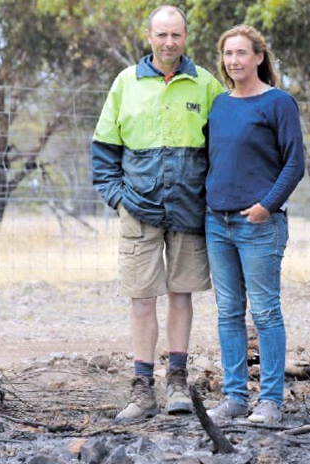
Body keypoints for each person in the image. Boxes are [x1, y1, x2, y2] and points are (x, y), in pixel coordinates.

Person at [91, 5, 224, 423]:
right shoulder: (125, 83)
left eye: (177, 35)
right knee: (142, 299)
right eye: (162, 35)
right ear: (149, 36)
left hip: (189, 210)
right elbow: (103, 152)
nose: (170, 43)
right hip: (139, 211)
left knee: (181, 295)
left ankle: (178, 385)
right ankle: (142, 391)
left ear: (187, 38)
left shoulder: (205, 84)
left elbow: (225, 146)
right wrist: (119, 198)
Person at [204, 25, 305, 424]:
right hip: (217, 224)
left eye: (242, 53)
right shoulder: (219, 105)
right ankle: (234, 398)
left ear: (259, 57)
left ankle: (270, 402)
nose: (234, 61)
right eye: (229, 54)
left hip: (259, 225)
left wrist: (267, 205)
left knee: (265, 313)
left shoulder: (278, 103)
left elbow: (294, 163)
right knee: (228, 313)